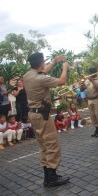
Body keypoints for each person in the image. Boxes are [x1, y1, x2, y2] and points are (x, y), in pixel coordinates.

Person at [23, 52, 70, 187]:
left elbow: (41, 72)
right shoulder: (41, 79)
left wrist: (54, 61)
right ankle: (51, 178)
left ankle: (48, 174)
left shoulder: (27, 76)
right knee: (52, 144)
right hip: (42, 116)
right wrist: (64, 67)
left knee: (43, 145)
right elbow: (62, 81)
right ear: (41, 63)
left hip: (33, 114)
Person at [85, 68, 98, 137]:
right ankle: (97, 129)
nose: (90, 74)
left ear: (95, 73)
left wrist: (92, 81)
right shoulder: (87, 80)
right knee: (92, 116)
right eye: (89, 73)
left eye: (92, 73)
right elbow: (83, 89)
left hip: (97, 99)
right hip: (90, 99)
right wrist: (82, 86)